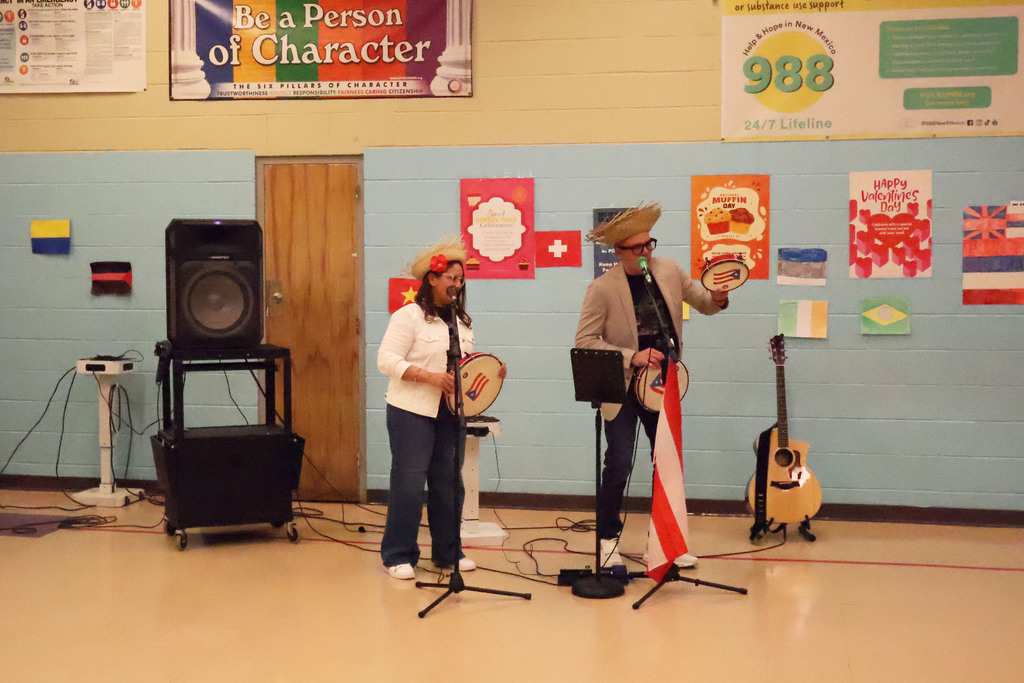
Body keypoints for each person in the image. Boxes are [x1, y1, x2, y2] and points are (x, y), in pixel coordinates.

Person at [574, 203, 729, 569]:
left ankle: (664, 544)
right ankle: (608, 541)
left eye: (649, 245)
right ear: (619, 251)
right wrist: (632, 355)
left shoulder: (670, 270)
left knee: (667, 465)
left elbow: (704, 302)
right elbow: (585, 340)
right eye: (637, 248)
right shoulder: (602, 288)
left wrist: (719, 298)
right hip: (625, 388)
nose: (645, 252)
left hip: (664, 384)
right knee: (619, 462)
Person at [376, 235, 505, 580]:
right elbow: (386, 360)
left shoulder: (462, 321)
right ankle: (398, 554)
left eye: (461, 279)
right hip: (411, 411)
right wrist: (430, 378)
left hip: (451, 412)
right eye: (450, 277)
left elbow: (462, 366)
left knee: (449, 482)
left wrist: (490, 371)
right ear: (432, 279)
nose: (457, 284)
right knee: (409, 482)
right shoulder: (409, 316)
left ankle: (448, 552)